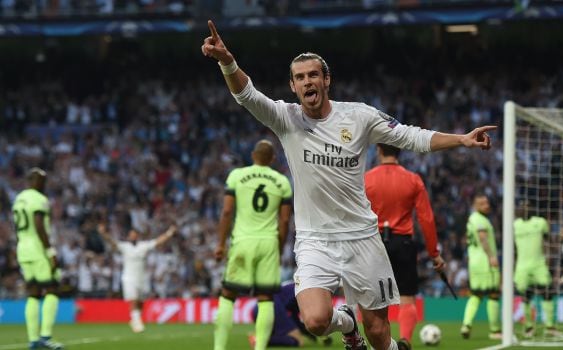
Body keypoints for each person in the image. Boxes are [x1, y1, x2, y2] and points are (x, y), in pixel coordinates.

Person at [201, 20, 496, 350]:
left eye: (313, 75)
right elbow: (246, 95)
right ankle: (348, 323)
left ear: (326, 80)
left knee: (380, 332)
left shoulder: (359, 116)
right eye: (300, 77)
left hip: (362, 237)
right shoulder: (286, 119)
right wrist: (227, 61)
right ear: (293, 86)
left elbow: (410, 136)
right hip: (315, 241)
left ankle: (373, 335)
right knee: (315, 320)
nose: (307, 81)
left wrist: (462, 139)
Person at [213, 139, 293, 350]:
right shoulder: (282, 182)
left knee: (228, 294)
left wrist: (221, 244)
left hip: (242, 241)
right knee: (265, 298)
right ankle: (260, 348)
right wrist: (280, 245)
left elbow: (227, 212)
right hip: (268, 242)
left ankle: (219, 347)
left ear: (253, 155)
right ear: (272, 159)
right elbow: (284, 220)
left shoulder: (237, 176)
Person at [364, 143, 446, 350]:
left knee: (374, 300)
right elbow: (426, 218)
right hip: (404, 243)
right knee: (407, 297)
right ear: (399, 152)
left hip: (374, 242)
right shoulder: (413, 179)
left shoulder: (366, 179)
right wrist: (434, 254)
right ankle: (405, 341)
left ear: (379, 151)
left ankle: (380, 343)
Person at [12, 168, 64, 350]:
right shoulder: (38, 199)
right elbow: (38, 224)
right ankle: (46, 337)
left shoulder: (18, 199)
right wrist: (50, 252)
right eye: (43, 180)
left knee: (33, 292)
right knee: (52, 288)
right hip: (37, 249)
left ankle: (33, 340)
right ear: (34, 180)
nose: (45, 184)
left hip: (23, 248)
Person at [97, 221, 177, 333]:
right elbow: (112, 242)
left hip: (142, 278)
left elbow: (158, 242)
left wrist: (170, 233)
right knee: (133, 299)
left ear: (137, 236)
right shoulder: (124, 246)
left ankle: (136, 318)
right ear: (129, 236)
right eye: (131, 234)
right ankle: (136, 320)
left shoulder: (143, 246)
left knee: (140, 301)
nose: (133, 236)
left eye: (135, 234)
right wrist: (103, 233)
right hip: (129, 277)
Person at [513, 200, 561, 337]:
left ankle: (550, 326)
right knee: (526, 297)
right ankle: (529, 327)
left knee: (547, 293)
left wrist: (551, 257)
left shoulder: (540, 222)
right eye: (522, 206)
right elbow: (511, 248)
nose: (525, 209)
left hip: (539, 264)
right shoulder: (515, 225)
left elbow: (549, 241)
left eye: (528, 206)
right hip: (522, 266)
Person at [460, 194, 501, 340]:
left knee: (476, 295)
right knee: (494, 294)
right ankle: (495, 330)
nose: (487, 205)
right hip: (485, 262)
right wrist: (491, 256)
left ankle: (466, 325)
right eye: (482, 203)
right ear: (475, 205)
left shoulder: (471, 219)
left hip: (474, 262)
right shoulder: (480, 219)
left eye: (487, 202)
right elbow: (483, 237)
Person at [249, 281, 333, 348]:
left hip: (260, 307)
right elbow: (307, 319)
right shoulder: (309, 292)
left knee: (281, 335)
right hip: (274, 305)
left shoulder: (300, 288)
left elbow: (295, 319)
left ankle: (262, 339)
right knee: (298, 341)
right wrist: (316, 334)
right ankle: (259, 339)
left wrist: (311, 335)